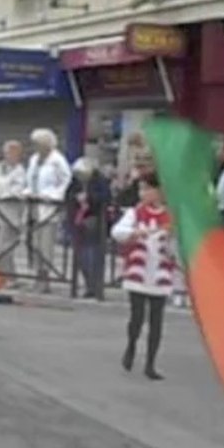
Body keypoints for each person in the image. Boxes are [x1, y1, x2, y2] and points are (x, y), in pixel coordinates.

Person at [111, 171, 182, 381]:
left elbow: (177, 247)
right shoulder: (136, 213)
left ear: (159, 191)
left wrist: (171, 247)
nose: (143, 193)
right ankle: (131, 345)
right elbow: (118, 232)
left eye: (147, 189)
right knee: (137, 316)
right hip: (138, 273)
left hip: (160, 272)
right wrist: (134, 234)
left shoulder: (170, 217)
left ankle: (151, 363)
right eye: (141, 189)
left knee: (157, 320)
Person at [25, 128, 71, 293]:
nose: (35, 147)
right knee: (35, 243)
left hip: (48, 206)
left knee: (45, 245)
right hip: (34, 206)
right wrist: (28, 191)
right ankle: (36, 276)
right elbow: (30, 179)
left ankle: (45, 279)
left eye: (38, 143)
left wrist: (55, 196)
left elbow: (66, 181)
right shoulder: (34, 159)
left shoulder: (58, 160)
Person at [67, 157, 111, 301]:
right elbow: (67, 195)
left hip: (95, 221)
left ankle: (96, 286)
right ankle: (88, 284)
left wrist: (89, 198)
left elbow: (106, 197)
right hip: (78, 222)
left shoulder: (100, 181)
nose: (81, 178)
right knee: (81, 256)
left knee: (93, 255)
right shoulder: (75, 181)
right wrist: (75, 197)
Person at [0, 140, 27, 281]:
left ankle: (9, 276)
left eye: (10, 153)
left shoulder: (20, 171)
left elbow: (17, 190)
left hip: (12, 214)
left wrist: (2, 190)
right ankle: (3, 274)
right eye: (6, 153)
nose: (7, 156)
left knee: (6, 246)